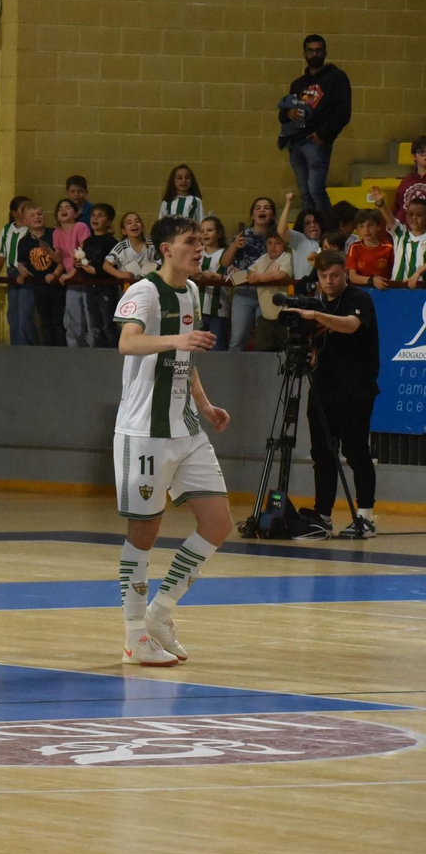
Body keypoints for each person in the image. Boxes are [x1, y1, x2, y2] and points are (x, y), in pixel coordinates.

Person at [111, 215, 233, 667]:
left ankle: (161, 612)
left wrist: (204, 404)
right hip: (144, 432)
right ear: (165, 248)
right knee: (144, 535)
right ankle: (132, 637)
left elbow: (186, 356)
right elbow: (128, 344)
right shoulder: (143, 291)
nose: (198, 247)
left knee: (218, 523)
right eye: (188, 241)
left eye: (201, 241)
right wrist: (178, 338)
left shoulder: (194, 292)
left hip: (186, 428)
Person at [286, 251, 381, 540]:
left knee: (356, 452)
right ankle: (323, 515)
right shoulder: (316, 302)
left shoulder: (358, 299)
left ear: (345, 273)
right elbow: (318, 350)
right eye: (323, 276)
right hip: (323, 387)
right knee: (323, 454)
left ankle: (365, 516)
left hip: (356, 388)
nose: (329, 281)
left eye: (335, 275)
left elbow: (351, 326)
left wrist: (316, 316)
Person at [277, 34, 352, 213]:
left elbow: (343, 112)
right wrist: (289, 112)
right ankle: (310, 233)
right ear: (304, 53)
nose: (314, 54)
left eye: (318, 50)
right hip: (296, 143)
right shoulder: (298, 84)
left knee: (315, 190)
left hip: (316, 142)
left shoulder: (336, 77)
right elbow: (282, 114)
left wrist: (323, 134)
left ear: (325, 52)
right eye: (310, 51)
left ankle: (327, 229)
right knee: (305, 194)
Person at [225, 197, 276, 351]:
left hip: (266, 293)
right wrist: (234, 246)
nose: (262, 210)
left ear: (272, 215)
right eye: (258, 207)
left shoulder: (276, 237)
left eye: (266, 207)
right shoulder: (243, 235)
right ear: (252, 214)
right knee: (238, 339)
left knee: (264, 341)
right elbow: (225, 262)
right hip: (243, 292)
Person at [16, 203, 65, 346]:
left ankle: (61, 351)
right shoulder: (24, 242)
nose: (37, 217)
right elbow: (22, 263)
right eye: (33, 215)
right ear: (25, 221)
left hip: (56, 286)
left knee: (58, 321)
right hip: (39, 287)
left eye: (39, 214)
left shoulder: (54, 234)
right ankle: (47, 350)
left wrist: (55, 274)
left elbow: (62, 259)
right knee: (45, 322)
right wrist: (23, 274)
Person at [0, 196, 35, 346]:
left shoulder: (31, 230)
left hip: (26, 274)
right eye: (23, 208)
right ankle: (15, 346)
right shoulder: (6, 229)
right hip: (11, 272)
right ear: (14, 213)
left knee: (25, 314)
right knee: (13, 314)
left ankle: (27, 346)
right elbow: (1, 253)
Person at [78, 204, 120, 347]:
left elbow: (113, 267)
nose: (95, 218)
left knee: (108, 324)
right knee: (95, 325)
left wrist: (96, 271)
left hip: (106, 288)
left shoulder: (112, 242)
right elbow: (85, 262)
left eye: (100, 215)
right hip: (90, 287)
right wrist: (79, 265)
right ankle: (99, 354)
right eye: (93, 215)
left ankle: (113, 353)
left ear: (108, 222)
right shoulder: (88, 241)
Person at [244, 231, 294, 352]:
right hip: (265, 314)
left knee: (285, 349)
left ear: (285, 245)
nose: (273, 246)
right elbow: (250, 272)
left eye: (278, 243)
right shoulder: (262, 259)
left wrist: (260, 277)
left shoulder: (286, 257)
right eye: (270, 243)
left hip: (283, 313)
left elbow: (282, 274)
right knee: (262, 349)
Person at [53, 198, 92, 348]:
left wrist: (71, 274)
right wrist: (48, 251)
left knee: (89, 320)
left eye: (68, 207)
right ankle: (74, 353)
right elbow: (60, 259)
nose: (63, 210)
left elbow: (83, 253)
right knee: (72, 320)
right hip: (72, 281)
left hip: (85, 278)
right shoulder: (57, 232)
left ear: (75, 213)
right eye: (60, 208)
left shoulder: (81, 227)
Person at [193, 216, 232, 350]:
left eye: (209, 230)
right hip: (198, 309)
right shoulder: (196, 253)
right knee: (197, 347)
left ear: (219, 233)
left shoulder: (226, 254)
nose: (205, 234)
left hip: (219, 309)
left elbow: (236, 276)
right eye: (202, 231)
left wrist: (218, 277)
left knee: (217, 348)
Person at [374, 195, 426, 288]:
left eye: (419, 215)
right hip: (397, 288)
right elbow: (389, 218)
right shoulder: (401, 234)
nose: (414, 217)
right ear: (406, 215)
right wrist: (381, 204)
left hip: (421, 289)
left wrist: (417, 274)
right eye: (410, 214)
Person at [345, 210, 395, 290]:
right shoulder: (354, 248)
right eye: (362, 226)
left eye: (370, 225)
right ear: (357, 229)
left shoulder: (388, 247)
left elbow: (395, 273)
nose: (366, 230)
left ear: (378, 226)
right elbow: (352, 277)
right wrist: (372, 281)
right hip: (361, 290)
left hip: (384, 289)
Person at [102, 212, 155, 284]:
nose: (134, 224)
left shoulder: (152, 245)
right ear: (124, 231)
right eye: (129, 223)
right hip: (127, 288)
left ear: (142, 228)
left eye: (137, 221)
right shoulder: (121, 246)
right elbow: (106, 265)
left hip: (149, 287)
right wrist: (120, 274)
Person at [389, 136, 426, 222]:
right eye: (421, 152)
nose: (425, 156)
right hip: (408, 231)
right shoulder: (406, 182)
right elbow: (398, 207)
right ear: (414, 156)